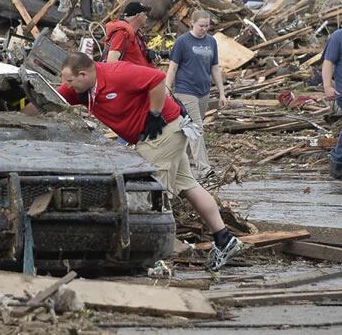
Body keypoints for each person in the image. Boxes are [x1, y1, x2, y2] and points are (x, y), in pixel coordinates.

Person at [49, 52, 244, 270]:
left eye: (69, 80)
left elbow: (156, 78)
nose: (66, 85)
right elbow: (47, 101)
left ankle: (157, 259)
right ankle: (225, 239)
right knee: (187, 185)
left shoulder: (117, 73)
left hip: (163, 131)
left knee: (151, 194)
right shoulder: (78, 88)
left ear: (83, 74)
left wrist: (154, 113)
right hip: (156, 136)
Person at [165, 10, 227, 177]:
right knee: (196, 128)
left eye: (207, 26)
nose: (204, 29)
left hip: (203, 91)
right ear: (191, 23)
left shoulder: (211, 42)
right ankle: (204, 168)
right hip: (185, 91)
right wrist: (166, 89)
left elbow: (215, 68)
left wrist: (222, 93)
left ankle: (176, 165)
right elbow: (173, 68)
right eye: (201, 26)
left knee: (187, 130)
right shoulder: (182, 42)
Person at [102, 1, 153, 66]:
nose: (146, 17)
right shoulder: (122, 33)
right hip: (133, 75)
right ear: (138, 16)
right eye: (145, 14)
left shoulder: (137, 34)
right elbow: (111, 62)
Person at [322, 28, 342, 179]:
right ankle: (336, 160)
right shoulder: (338, 36)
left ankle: (337, 161)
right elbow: (328, 62)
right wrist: (327, 86)